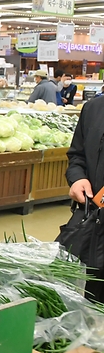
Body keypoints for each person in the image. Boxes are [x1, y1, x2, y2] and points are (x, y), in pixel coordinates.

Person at [65, 92, 104, 301]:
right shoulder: (94, 108)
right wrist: (77, 178)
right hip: (93, 225)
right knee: (91, 301)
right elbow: (77, 155)